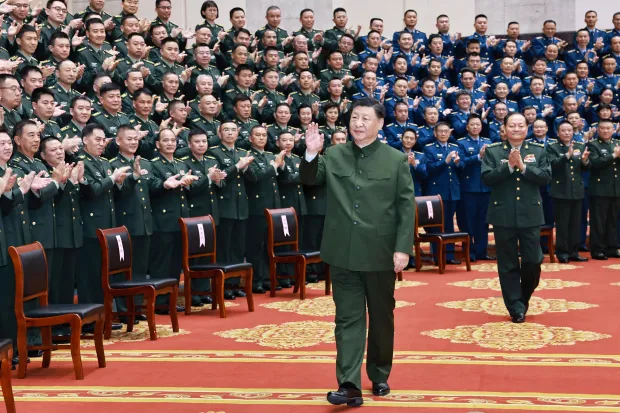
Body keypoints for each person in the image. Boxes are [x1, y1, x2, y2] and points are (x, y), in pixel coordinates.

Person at [300, 97, 415, 406]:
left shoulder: (395, 160)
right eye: (354, 118)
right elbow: (309, 179)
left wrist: (403, 248)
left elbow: (406, 208)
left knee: (381, 317)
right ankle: (349, 384)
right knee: (347, 319)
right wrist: (311, 152)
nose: (358, 123)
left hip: (380, 253)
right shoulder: (334, 155)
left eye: (365, 118)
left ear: (379, 124)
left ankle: (379, 374)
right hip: (342, 252)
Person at [481, 112, 551, 324]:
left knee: (533, 260)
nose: (517, 129)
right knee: (508, 262)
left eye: (521, 125)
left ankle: (522, 296)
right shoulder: (493, 151)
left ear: (527, 128)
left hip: (530, 213)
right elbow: (487, 178)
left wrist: (524, 167)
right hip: (503, 214)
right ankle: (516, 307)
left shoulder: (538, 150)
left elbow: (546, 177)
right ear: (504, 128)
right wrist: (509, 167)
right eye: (512, 125)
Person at [546, 121, 590, 263]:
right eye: (563, 130)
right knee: (563, 223)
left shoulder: (580, 146)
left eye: (569, 130)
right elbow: (551, 165)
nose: (566, 133)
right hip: (560, 190)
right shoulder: (552, 147)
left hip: (576, 190)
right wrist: (566, 156)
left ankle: (574, 251)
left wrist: (584, 161)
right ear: (558, 133)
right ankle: (562, 252)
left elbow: (585, 168)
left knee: (576, 223)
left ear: (573, 132)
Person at [586, 119, 620, 260]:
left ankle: (612, 247)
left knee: (613, 220)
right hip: (599, 189)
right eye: (603, 128)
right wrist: (613, 156)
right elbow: (596, 163)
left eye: (608, 128)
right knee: (599, 221)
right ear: (598, 130)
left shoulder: (616, 144)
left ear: (613, 130)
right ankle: (598, 249)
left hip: (616, 188)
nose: (606, 131)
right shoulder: (593, 145)